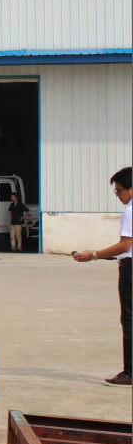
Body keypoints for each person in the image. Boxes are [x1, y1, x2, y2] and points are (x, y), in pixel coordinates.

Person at [72, 166, 132, 387]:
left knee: (129, 320)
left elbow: (126, 245)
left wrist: (94, 255)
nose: (118, 196)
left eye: (119, 191)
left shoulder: (130, 210)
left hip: (130, 269)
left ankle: (130, 372)